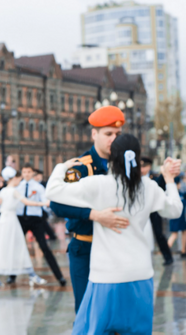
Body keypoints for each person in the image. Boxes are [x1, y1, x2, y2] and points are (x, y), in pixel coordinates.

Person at [46, 134, 182, 334]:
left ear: (112, 155)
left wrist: (62, 167)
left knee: (92, 329)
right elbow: (175, 211)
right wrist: (169, 180)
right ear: (137, 157)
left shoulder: (99, 184)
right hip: (141, 275)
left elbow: (53, 192)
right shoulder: (149, 187)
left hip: (106, 277)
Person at [49, 106, 131, 312]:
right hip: (87, 248)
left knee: (116, 311)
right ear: (94, 134)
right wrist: (94, 215)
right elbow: (57, 204)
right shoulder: (81, 167)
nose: (114, 139)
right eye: (108, 134)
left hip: (116, 248)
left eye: (118, 134)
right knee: (88, 311)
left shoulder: (126, 166)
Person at [0, 172, 47, 288]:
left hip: (3, 221)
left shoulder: (4, 191)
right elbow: (27, 202)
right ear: (15, 178)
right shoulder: (13, 191)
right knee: (18, 246)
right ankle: (31, 274)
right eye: (19, 179)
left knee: (1, 247)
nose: (19, 182)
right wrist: (43, 203)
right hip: (11, 221)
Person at [11, 163, 66, 286]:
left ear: (32, 173)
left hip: (35, 219)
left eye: (29, 172)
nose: (26, 174)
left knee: (44, 247)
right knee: (17, 246)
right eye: (24, 172)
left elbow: (45, 201)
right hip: (21, 219)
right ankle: (12, 276)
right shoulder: (18, 187)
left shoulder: (39, 187)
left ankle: (59, 276)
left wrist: (47, 211)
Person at [141, 156, 175, 265]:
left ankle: (168, 257)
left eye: (144, 166)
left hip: (154, 210)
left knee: (159, 233)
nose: (141, 169)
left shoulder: (154, 177)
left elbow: (161, 184)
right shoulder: (135, 177)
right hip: (141, 210)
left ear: (149, 167)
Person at [168, 176, 186, 257]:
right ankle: (182, 251)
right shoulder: (180, 195)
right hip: (181, 218)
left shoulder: (170, 194)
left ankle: (167, 252)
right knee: (182, 233)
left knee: (175, 234)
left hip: (173, 217)